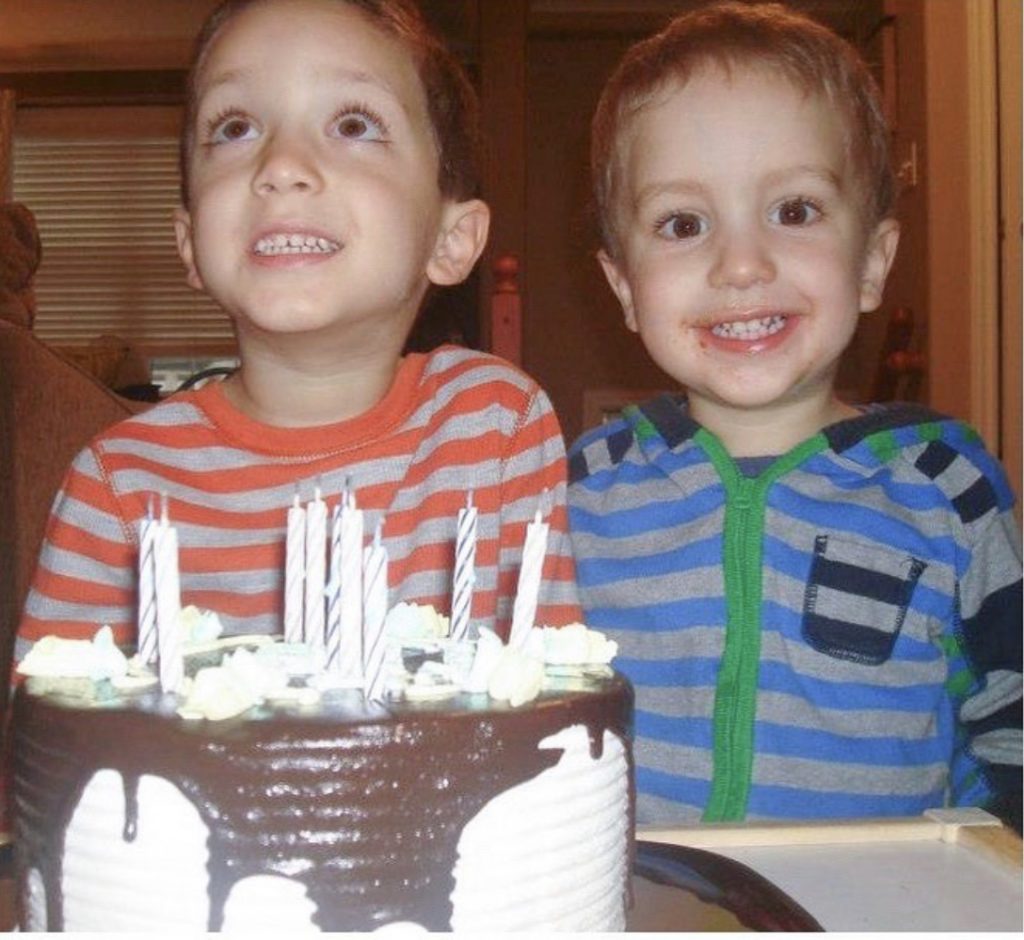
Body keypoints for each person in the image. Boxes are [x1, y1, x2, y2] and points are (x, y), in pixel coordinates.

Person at [568, 1, 1022, 828]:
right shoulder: (582, 493)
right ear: (626, 289)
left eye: (796, 210)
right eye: (682, 223)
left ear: (874, 262)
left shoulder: (945, 490)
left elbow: (1012, 716)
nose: (741, 264)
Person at [15, 0, 580, 664]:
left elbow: (554, 702)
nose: (281, 164)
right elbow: (56, 751)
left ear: (451, 238)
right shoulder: (118, 486)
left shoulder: (495, 427)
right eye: (234, 128)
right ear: (190, 240)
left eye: (352, 122)